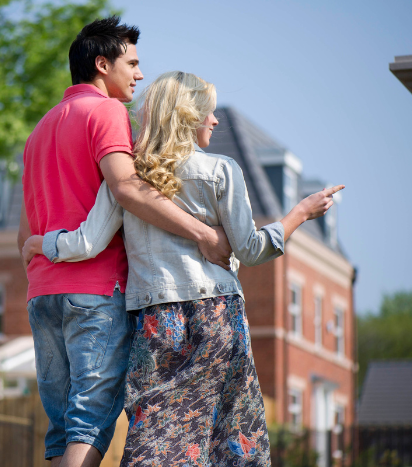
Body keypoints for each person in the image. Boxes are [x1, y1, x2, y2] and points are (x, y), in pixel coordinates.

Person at [23, 71, 344, 466]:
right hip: (217, 315)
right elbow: (253, 249)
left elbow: (87, 242)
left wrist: (43, 243)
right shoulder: (221, 171)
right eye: (209, 112)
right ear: (190, 116)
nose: (215, 120)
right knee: (230, 432)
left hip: (155, 320)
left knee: (155, 430)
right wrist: (300, 213)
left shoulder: (125, 177)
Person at [18, 20, 233, 467]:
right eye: (131, 63)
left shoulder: (38, 131)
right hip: (94, 293)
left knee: (62, 428)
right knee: (90, 422)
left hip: (42, 295)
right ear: (102, 64)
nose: (138, 74)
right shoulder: (108, 113)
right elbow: (127, 188)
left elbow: (24, 236)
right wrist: (204, 234)